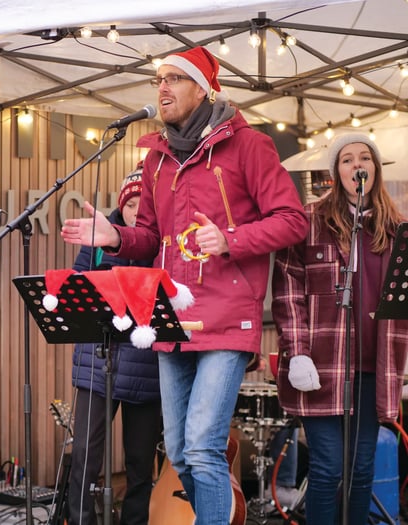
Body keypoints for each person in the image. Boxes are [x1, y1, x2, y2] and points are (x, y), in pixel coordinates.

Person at [61, 46, 308, 524]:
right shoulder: (156, 160)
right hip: (172, 317)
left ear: (204, 88)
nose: (163, 87)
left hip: (228, 317)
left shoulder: (249, 146)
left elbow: (292, 220)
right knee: (178, 448)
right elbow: (150, 238)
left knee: (202, 444)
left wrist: (232, 239)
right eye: (160, 79)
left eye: (175, 78)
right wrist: (115, 237)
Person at [271, 132, 408, 525]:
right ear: (336, 171)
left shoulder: (397, 228)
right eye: (347, 159)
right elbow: (288, 292)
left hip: (372, 368)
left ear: (375, 170)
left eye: (364, 158)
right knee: (329, 467)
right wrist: (296, 350)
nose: (356, 165)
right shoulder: (309, 220)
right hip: (321, 367)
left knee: (361, 469)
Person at [67, 163, 162, 525]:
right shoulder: (96, 239)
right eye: (131, 204)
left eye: (145, 205)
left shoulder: (161, 243)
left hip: (147, 370)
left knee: (140, 464)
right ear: (121, 206)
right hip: (96, 363)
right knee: (84, 458)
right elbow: (77, 287)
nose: (137, 212)